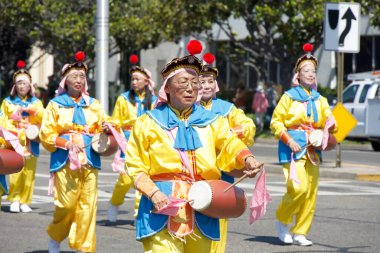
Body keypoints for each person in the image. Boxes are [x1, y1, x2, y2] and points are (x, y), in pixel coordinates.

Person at [124, 40, 263, 253]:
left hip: (203, 203)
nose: (190, 88)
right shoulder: (148, 122)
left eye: (194, 82)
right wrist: (153, 193)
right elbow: (134, 165)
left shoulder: (212, 120)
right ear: (167, 87)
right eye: (183, 82)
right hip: (162, 204)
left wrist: (247, 158)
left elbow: (229, 142)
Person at [39, 51, 118, 253]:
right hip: (65, 160)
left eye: (82, 76)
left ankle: (83, 247)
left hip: (90, 158)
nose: (79, 80)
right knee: (66, 205)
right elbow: (46, 134)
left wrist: (108, 127)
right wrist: (66, 144)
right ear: (65, 81)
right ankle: (55, 237)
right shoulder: (55, 105)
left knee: (88, 206)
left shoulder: (94, 105)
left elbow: (104, 122)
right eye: (75, 76)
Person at [270, 43, 338, 246]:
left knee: (310, 193)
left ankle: (300, 231)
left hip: (313, 150)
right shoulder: (288, 97)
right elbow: (276, 122)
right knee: (298, 189)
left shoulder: (321, 99)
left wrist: (331, 126)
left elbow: (329, 122)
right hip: (292, 149)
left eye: (313, 71)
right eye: (306, 71)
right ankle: (282, 219)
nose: (310, 74)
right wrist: (289, 140)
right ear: (297, 75)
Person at [199, 53, 256, 253]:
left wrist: (234, 131)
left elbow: (248, 125)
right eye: (201, 81)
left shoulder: (226, 109)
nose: (206, 85)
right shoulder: (188, 109)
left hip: (222, 171)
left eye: (210, 81)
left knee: (220, 218)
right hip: (195, 171)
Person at [107, 61, 157, 222]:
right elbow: (116, 120)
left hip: (145, 143)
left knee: (142, 178)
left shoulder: (155, 101)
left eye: (138, 79)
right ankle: (114, 204)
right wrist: (110, 128)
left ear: (146, 82)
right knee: (124, 179)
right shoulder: (123, 99)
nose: (134, 82)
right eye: (133, 79)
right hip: (126, 142)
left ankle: (138, 215)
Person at [1, 60, 44, 213]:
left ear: (30, 85)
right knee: (15, 171)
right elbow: (2, 120)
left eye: (25, 83)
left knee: (29, 172)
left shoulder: (36, 102)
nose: (22, 86)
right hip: (15, 141)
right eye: (19, 83)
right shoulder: (7, 102)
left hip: (31, 141)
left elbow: (44, 118)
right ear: (15, 85)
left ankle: (26, 200)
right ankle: (14, 199)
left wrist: (31, 111)